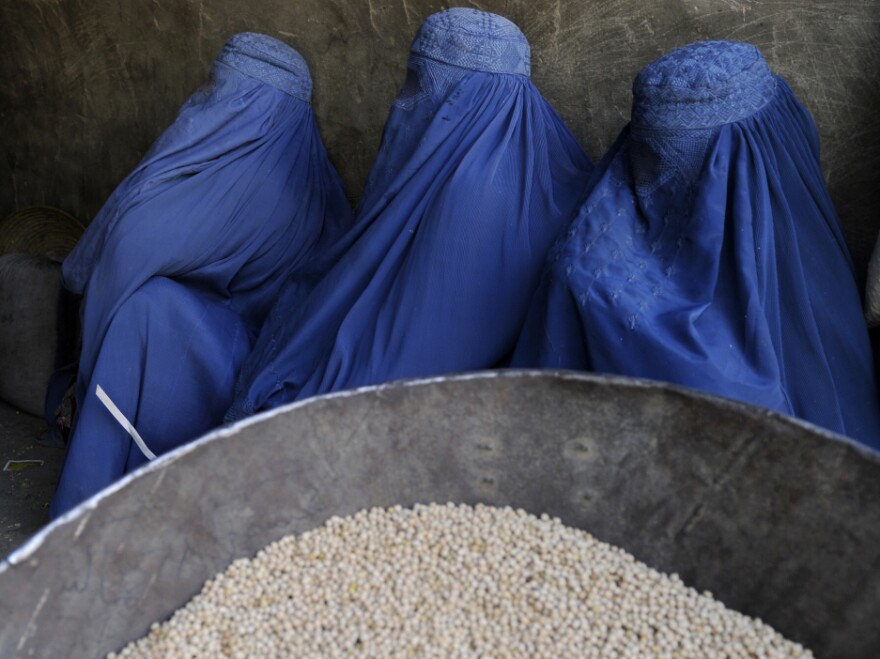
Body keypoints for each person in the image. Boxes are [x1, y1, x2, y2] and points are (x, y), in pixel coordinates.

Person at [225, 8, 593, 420]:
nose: (402, 101)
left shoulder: (474, 200)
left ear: (462, 97)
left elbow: (392, 374)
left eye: (418, 84)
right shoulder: (536, 161)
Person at [512, 40, 880, 448]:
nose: (651, 174)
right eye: (646, 152)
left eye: (673, 156)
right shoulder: (587, 259)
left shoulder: (793, 234)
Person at [50, 33, 353, 518]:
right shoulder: (319, 182)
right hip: (264, 378)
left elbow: (122, 251)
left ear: (243, 103)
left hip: (239, 384)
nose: (208, 101)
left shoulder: (203, 171)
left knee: (147, 310)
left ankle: (95, 499)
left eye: (222, 90)